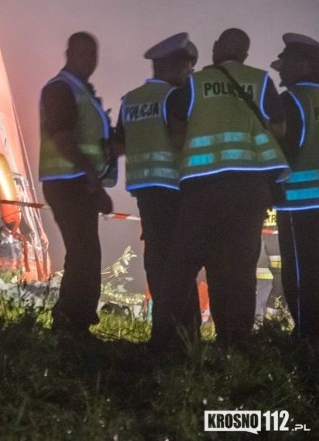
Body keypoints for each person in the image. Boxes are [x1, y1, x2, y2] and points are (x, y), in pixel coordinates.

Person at [150, 28, 291, 350]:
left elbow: (175, 132)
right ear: (245, 53)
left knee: (182, 265)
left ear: (215, 49)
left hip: (203, 189)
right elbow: (279, 130)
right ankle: (235, 343)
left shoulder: (194, 84)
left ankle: (164, 341)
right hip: (249, 190)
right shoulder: (261, 80)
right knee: (240, 268)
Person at [113, 32, 202, 345]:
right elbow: (180, 140)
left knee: (157, 261)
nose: (190, 75)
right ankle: (183, 334)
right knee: (181, 264)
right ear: (176, 67)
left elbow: (118, 146)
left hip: (146, 193)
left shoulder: (131, 100)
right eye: (188, 68)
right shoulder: (174, 98)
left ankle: (163, 332)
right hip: (176, 191)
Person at [39, 31, 115, 338]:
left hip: (78, 183)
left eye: (93, 55)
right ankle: (70, 323)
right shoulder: (61, 89)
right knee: (83, 253)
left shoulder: (79, 90)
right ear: (69, 53)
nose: (90, 61)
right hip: (68, 182)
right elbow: (62, 138)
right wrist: (89, 175)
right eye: (84, 54)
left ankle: (75, 321)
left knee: (85, 252)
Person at [271, 32, 319, 347]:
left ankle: (305, 335)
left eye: (284, 64)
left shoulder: (291, 101)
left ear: (305, 63)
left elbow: (283, 151)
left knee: (301, 272)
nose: (279, 71)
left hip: (298, 202)